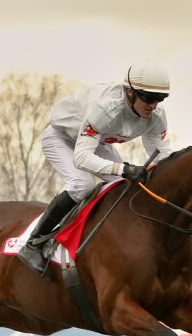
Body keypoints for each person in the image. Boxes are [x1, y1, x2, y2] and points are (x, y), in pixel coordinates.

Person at [17, 61, 175, 275]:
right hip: (61, 138)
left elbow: (164, 155)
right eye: (148, 98)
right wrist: (124, 169)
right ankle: (33, 243)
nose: (154, 105)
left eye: (159, 99)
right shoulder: (105, 108)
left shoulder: (156, 115)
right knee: (82, 185)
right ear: (130, 92)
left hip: (96, 142)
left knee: (124, 188)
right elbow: (82, 158)